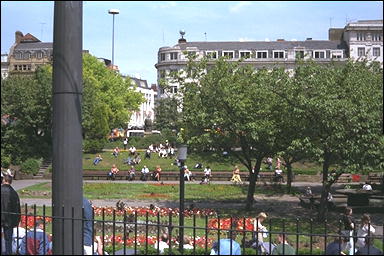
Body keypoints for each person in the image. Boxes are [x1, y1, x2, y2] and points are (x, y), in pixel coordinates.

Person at [1, 174, 21, 255]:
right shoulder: (13, 193)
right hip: (9, 218)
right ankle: (8, 252)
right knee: (8, 239)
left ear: (4, 180)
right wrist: (17, 219)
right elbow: (16, 207)